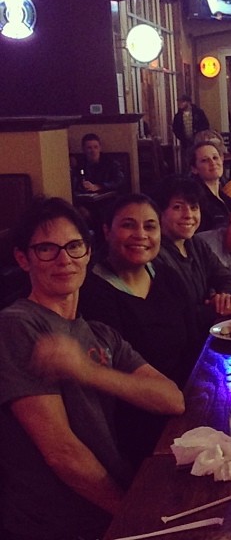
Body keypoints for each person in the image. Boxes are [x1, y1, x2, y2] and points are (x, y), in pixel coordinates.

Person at [0, 196, 183, 540]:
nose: (64, 259)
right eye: (46, 249)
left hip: (112, 505)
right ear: (23, 259)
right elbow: (62, 453)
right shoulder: (17, 325)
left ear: (87, 252)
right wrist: (131, 515)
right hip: (59, 525)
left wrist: (87, 371)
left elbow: (172, 399)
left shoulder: (100, 334)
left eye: (74, 246)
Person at [79, 194, 201, 388]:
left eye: (150, 227)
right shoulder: (93, 292)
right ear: (107, 231)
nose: (140, 234)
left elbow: (194, 344)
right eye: (128, 225)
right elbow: (112, 372)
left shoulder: (168, 276)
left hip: (189, 391)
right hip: (139, 399)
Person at [153, 176, 231, 323]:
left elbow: (227, 278)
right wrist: (214, 308)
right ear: (159, 212)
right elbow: (173, 314)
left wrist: (225, 298)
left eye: (194, 207)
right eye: (177, 207)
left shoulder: (196, 244)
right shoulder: (155, 255)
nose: (188, 215)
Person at [190, 140, 231, 232]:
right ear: (194, 169)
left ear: (222, 159)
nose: (212, 162)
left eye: (215, 157)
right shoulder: (196, 200)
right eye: (204, 160)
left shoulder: (227, 199)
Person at [172, 95, 210, 173]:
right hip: (186, 142)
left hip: (198, 141)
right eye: (179, 102)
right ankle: (189, 174)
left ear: (188, 102)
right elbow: (175, 128)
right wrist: (182, 137)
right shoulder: (178, 116)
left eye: (182, 102)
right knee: (187, 160)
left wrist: (200, 135)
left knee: (199, 157)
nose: (180, 104)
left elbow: (205, 125)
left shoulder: (198, 113)